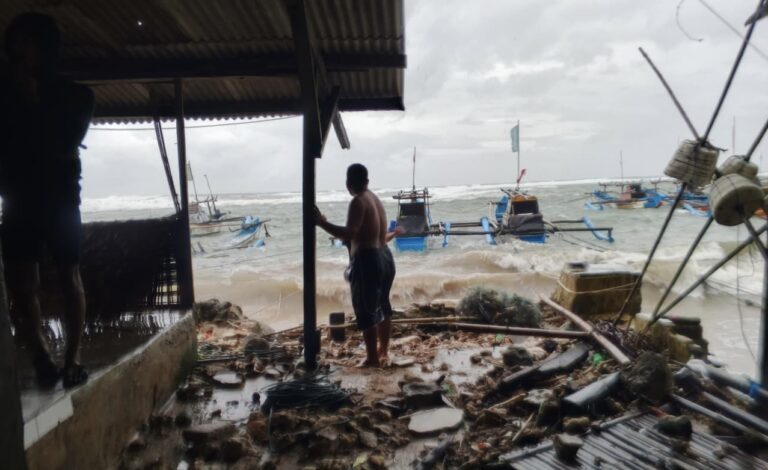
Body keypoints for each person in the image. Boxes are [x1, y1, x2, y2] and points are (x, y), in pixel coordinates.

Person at [0, 13, 94, 388]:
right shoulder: (4, 97)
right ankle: (41, 356)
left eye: (28, 42)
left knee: (70, 276)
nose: (20, 49)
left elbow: (63, 140)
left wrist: (31, 98)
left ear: (45, 47)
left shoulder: (77, 96)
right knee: (23, 284)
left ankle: (72, 357)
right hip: (18, 199)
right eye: (15, 43)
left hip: (60, 200)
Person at [315, 164, 396, 367]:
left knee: (366, 310)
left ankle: (372, 358)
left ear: (348, 184)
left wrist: (320, 223)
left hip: (368, 260)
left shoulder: (357, 201)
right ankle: (383, 350)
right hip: (385, 255)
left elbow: (350, 233)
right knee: (384, 306)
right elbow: (362, 231)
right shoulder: (373, 198)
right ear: (367, 182)